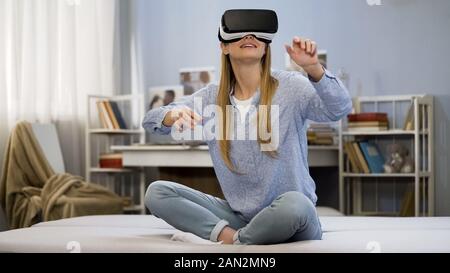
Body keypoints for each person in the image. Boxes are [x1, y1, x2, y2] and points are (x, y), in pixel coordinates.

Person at [142, 9, 352, 245]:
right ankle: (235, 238)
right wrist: (171, 114)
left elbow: (340, 109)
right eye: (240, 33)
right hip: (240, 218)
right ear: (224, 46)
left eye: (256, 34)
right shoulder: (210, 98)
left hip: (293, 219)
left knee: (296, 204)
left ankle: (237, 242)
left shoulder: (292, 87)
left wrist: (314, 68)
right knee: (157, 192)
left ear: (265, 47)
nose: (249, 36)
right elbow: (150, 121)